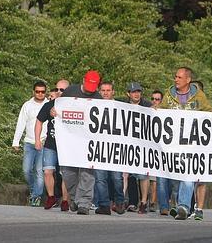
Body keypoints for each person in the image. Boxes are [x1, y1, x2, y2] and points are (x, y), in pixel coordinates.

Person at [159, 66, 212, 221]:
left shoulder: (198, 95)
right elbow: (159, 111)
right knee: (172, 176)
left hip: (192, 143)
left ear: (188, 80)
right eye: (175, 76)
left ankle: (183, 206)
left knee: (188, 173)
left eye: (179, 77)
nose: (175, 79)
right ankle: (171, 204)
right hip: (172, 143)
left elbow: (209, 110)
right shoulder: (169, 95)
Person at [57, 70, 103, 215]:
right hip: (69, 140)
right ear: (83, 80)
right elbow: (59, 107)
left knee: (87, 173)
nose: (90, 91)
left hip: (87, 141)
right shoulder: (70, 91)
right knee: (68, 173)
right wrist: (54, 111)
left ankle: (84, 203)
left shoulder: (98, 98)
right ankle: (75, 198)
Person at [34, 79, 70, 210]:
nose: (59, 92)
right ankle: (51, 197)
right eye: (57, 89)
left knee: (65, 174)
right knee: (48, 171)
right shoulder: (49, 105)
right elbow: (39, 121)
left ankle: (65, 200)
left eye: (62, 90)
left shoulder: (73, 105)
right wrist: (37, 139)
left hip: (66, 146)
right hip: (51, 143)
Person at [12, 81, 48, 207]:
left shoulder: (49, 105)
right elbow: (21, 123)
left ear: (45, 92)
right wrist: (15, 141)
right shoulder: (27, 105)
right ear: (33, 92)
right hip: (29, 142)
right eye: (37, 91)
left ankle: (36, 196)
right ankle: (34, 190)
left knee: (39, 171)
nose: (40, 94)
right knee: (26, 170)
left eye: (42, 91)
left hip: (43, 142)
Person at [92, 81, 126, 215]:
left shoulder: (121, 106)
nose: (106, 93)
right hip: (99, 147)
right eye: (103, 90)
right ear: (99, 91)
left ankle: (119, 201)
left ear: (113, 92)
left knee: (117, 178)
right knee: (100, 178)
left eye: (108, 90)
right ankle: (104, 205)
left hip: (116, 147)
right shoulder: (93, 106)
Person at [123, 82, 153, 214]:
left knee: (142, 175)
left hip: (143, 144)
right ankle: (127, 202)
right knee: (126, 175)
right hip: (127, 143)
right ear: (128, 94)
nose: (136, 94)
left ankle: (144, 202)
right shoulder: (122, 105)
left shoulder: (147, 105)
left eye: (138, 91)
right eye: (133, 91)